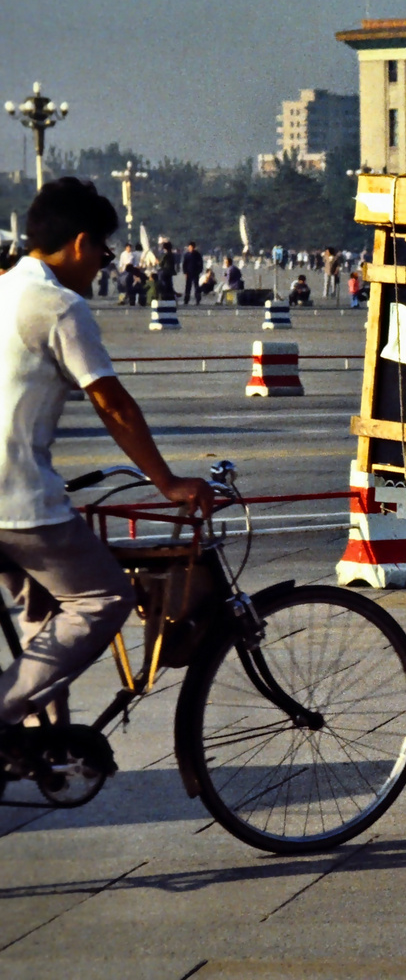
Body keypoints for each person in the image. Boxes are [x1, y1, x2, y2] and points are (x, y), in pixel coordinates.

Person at [0, 179, 212, 758]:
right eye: (102, 252)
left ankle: (45, 749)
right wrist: (168, 482)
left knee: (42, 612)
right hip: (14, 497)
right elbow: (112, 403)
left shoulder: (3, 289)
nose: (101, 266)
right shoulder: (59, 306)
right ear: (78, 244)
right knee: (103, 597)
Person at [180, 240, 204, 305]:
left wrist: (200, 270)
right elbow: (184, 264)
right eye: (190, 247)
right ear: (188, 247)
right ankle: (186, 300)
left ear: (194, 247)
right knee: (188, 287)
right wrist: (185, 272)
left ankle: (198, 300)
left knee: (196, 287)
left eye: (192, 247)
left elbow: (201, 263)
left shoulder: (197, 254)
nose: (191, 248)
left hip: (195, 272)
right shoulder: (186, 255)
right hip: (188, 273)